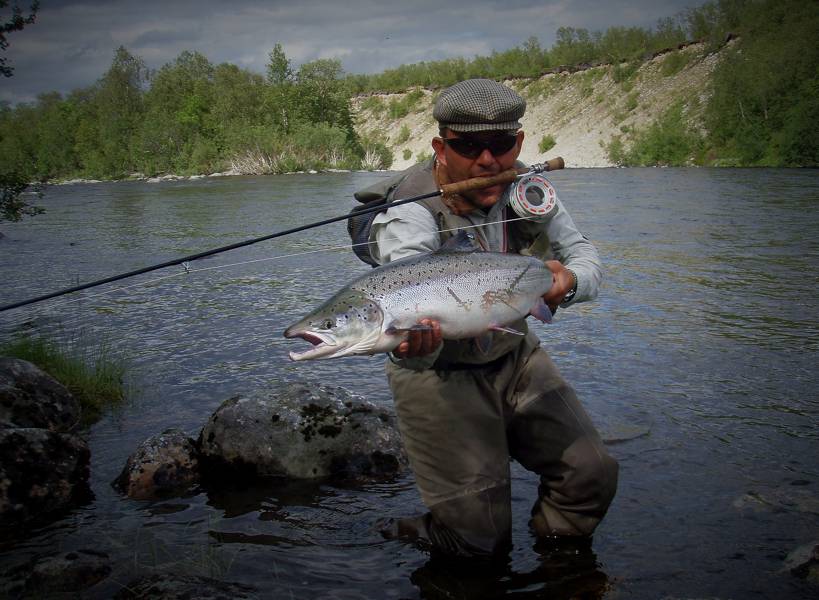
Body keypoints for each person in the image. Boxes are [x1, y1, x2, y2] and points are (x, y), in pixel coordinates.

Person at [358, 78, 618, 559]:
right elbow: (404, 319)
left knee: (592, 473)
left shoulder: (529, 189)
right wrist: (416, 346)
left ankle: (562, 567)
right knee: (480, 542)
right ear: (441, 146)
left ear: (519, 142)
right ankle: (421, 531)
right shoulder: (408, 214)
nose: (487, 161)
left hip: (515, 354)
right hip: (438, 373)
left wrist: (569, 283)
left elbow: (586, 258)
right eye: (469, 146)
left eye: (501, 145)